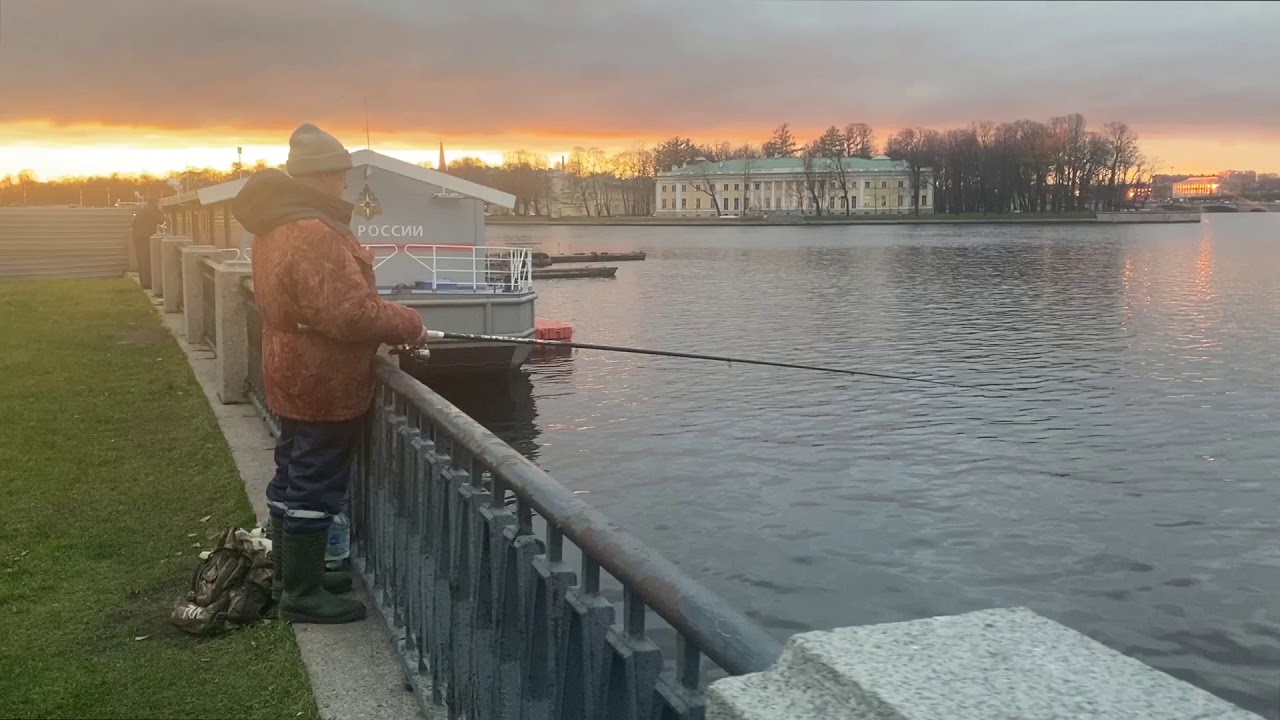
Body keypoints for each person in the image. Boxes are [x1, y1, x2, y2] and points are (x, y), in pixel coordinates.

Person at [232, 123, 429, 624]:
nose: (344, 183)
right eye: (341, 174)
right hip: (322, 380)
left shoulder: (275, 224)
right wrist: (409, 323)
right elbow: (349, 316)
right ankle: (301, 593)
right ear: (324, 177)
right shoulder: (313, 232)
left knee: (293, 471)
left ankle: (295, 573)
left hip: (288, 368)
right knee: (315, 483)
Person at [130, 198, 164, 288]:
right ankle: (148, 283)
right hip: (147, 237)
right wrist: (160, 210)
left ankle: (143, 282)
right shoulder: (153, 210)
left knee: (141, 260)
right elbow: (161, 220)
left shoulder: (141, 209)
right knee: (148, 260)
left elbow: (133, 223)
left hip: (138, 237)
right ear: (155, 203)